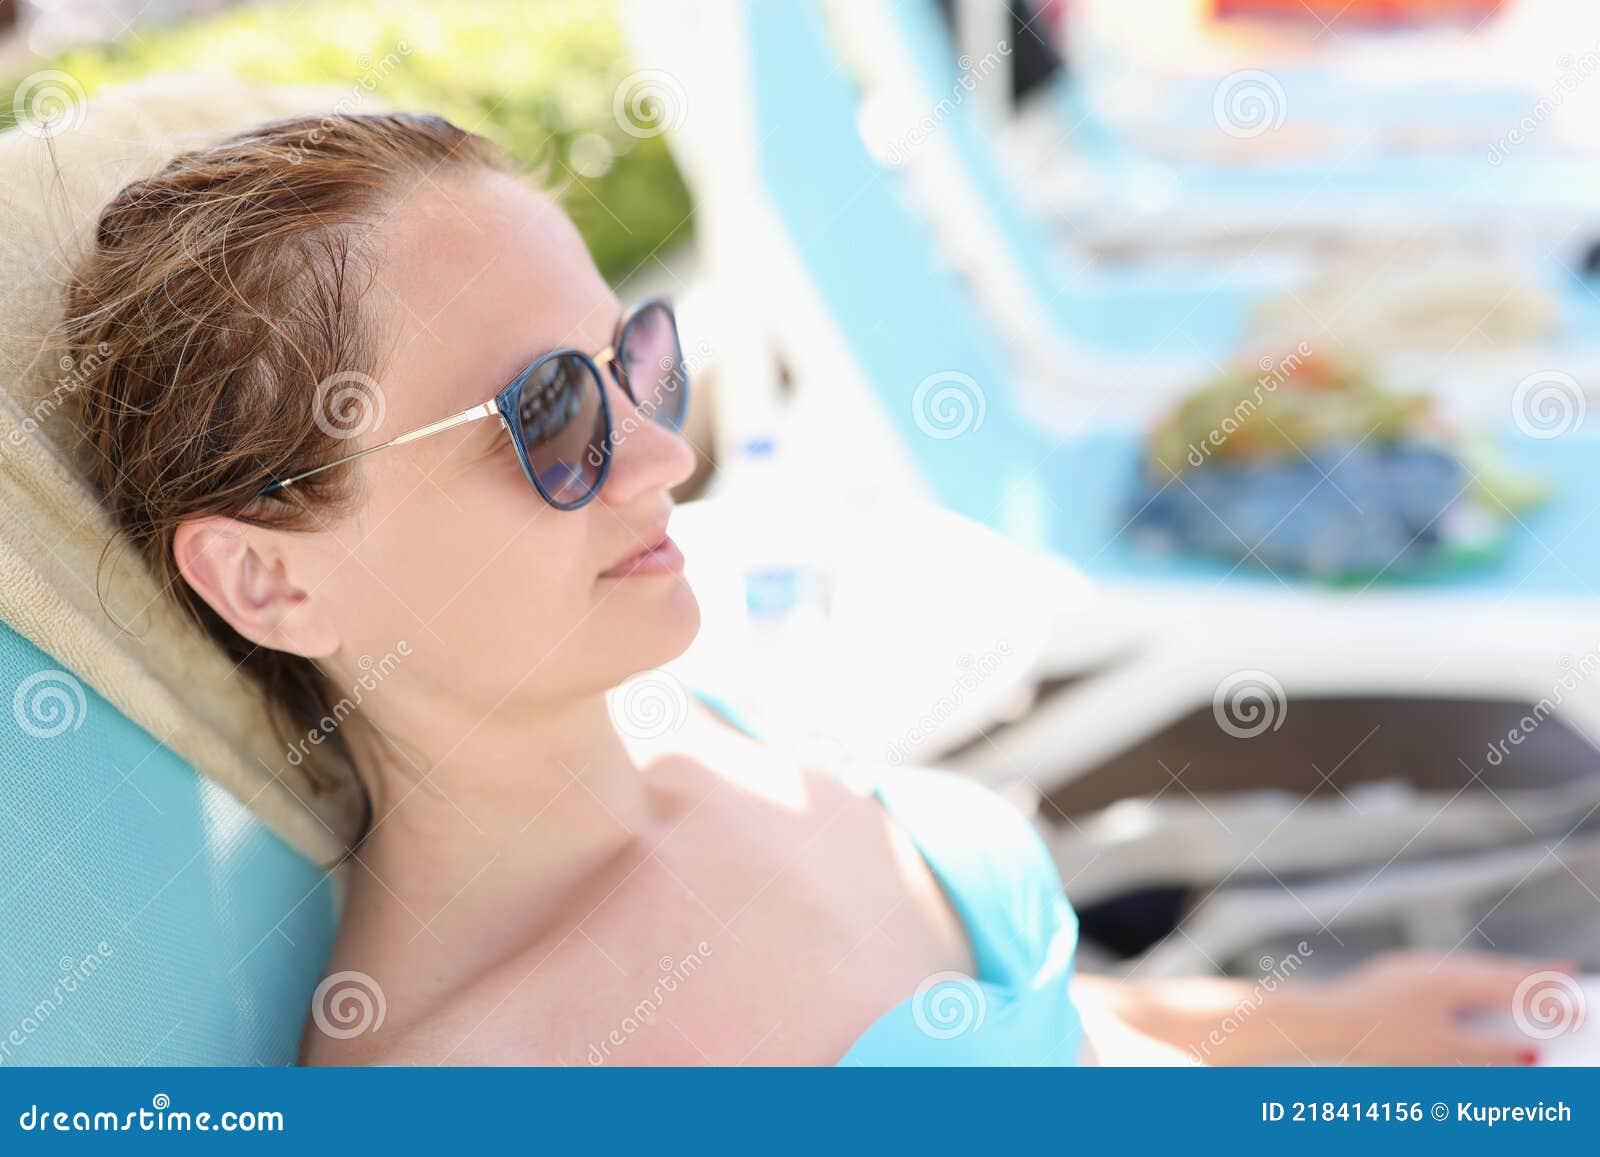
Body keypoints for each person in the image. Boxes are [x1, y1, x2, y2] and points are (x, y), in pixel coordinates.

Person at [60, 111, 1557, 1066]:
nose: (657, 451)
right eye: (549, 415)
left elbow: (1021, 1037)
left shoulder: (686, 711)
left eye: (635, 357)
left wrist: (1315, 1033)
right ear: (268, 578)